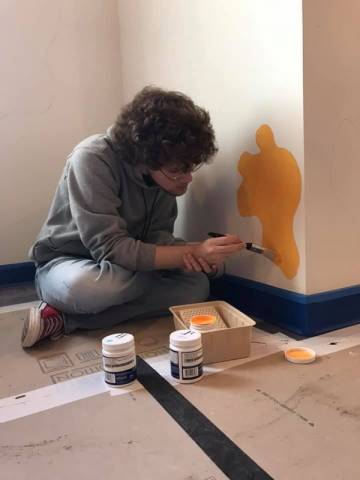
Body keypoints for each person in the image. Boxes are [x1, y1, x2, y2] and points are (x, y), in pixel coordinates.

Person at [21, 86, 244, 348]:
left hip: (125, 271)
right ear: (144, 158)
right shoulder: (92, 158)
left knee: (196, 288)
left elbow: (157, 239)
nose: (188, 178)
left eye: (191, 166)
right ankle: (68, 304)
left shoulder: (162, 179)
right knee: (91, 288)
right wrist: (192, 252)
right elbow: (112, 249)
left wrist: (199, 260)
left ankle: (63, 318)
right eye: (178, 169)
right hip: (69, 265)